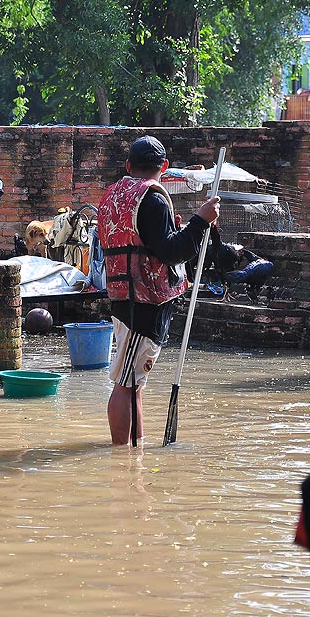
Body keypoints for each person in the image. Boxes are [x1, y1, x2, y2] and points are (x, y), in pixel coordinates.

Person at [97, 135, 221, 445]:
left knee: (134, 380)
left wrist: (176, 229)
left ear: (128, 166)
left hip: (122, 294)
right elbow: (171, 252)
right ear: (163, 167)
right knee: (126, 382)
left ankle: (133, 452)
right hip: (144, 301)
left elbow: (146, 241)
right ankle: (121, 455)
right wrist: (200, 222)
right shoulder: (151, 198)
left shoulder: (114, 195)